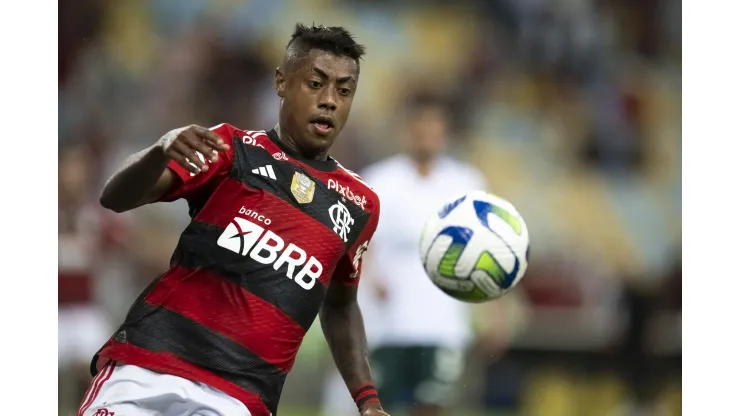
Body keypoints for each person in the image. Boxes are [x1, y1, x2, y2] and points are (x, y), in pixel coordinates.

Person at [79, 24, 389, 416]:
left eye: (344, 91)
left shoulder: (360, 204)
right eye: (315, 83)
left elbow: (341, 306)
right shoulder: (230, 149)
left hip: (240, 397)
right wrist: (160, 151)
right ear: (281, 82)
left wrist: (368, 401)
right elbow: (114, 198)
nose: (329, 100)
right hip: (149, 365)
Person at [344, 95, 487, 416]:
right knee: (384, 406)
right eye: (419, 128)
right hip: (389, 321)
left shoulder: (466, 183)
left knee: (433, 406)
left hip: (444, 320)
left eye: (433, 128)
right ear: (406, 132)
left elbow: (486, 246)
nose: (426, 136)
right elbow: (358, 244)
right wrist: (371, 278)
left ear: (445, 133)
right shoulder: (380, 180)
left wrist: (497, 305)